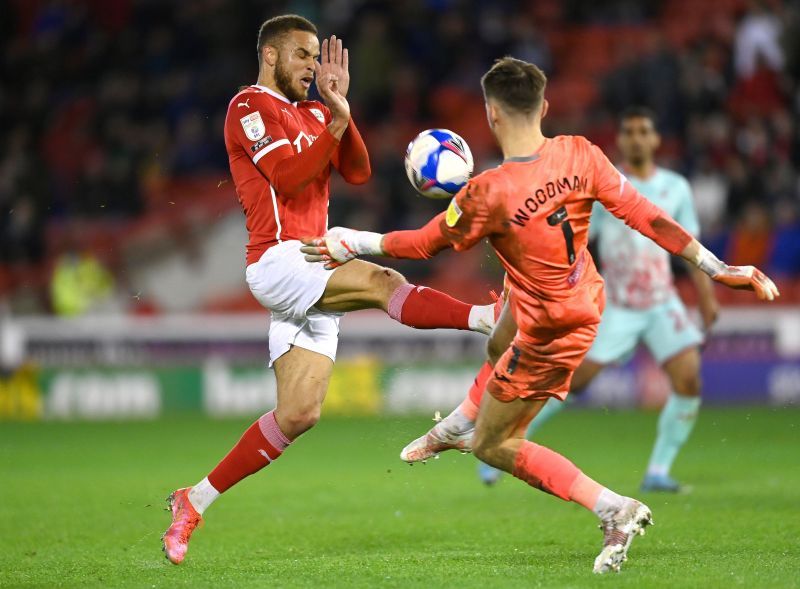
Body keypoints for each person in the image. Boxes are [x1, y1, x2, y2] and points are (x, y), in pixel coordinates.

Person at [301, 57, 779, 573]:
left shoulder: (487, 193)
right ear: (544, 106)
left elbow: (422, 244)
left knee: (496, 443)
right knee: (496, 331)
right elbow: (649, 216)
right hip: (577, 292)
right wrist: (717, 265)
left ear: (490, 115)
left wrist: (353, 242)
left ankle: (613, 508)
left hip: (554, 328)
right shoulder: (580, 153)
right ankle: (458, 422)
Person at [161, 15, 497, 565]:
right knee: (380, 278)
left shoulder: (316, 111)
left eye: (318, 56)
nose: (313, 67)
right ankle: (487, 319)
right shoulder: (248, 107)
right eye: (302, 56)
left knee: (298, 414)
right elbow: (291, 178)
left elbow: (359, 172)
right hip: (276, 259)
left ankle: (192, 500)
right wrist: (332, 127)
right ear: (270, 55)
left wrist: (341, 112)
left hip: (313, 261)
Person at [476, 107, 720, 492]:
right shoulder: (604, 183)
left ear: (656, 140)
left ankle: (658, 471)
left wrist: (707, 298)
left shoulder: (677, 188)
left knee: (688, 379)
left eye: (644, 131)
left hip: (662, 303)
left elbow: (684, 242)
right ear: (621, 140)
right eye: (629, 131)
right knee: (571, 384)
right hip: (616, 306)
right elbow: (572, 237)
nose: (636, 138)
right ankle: (506, 438)